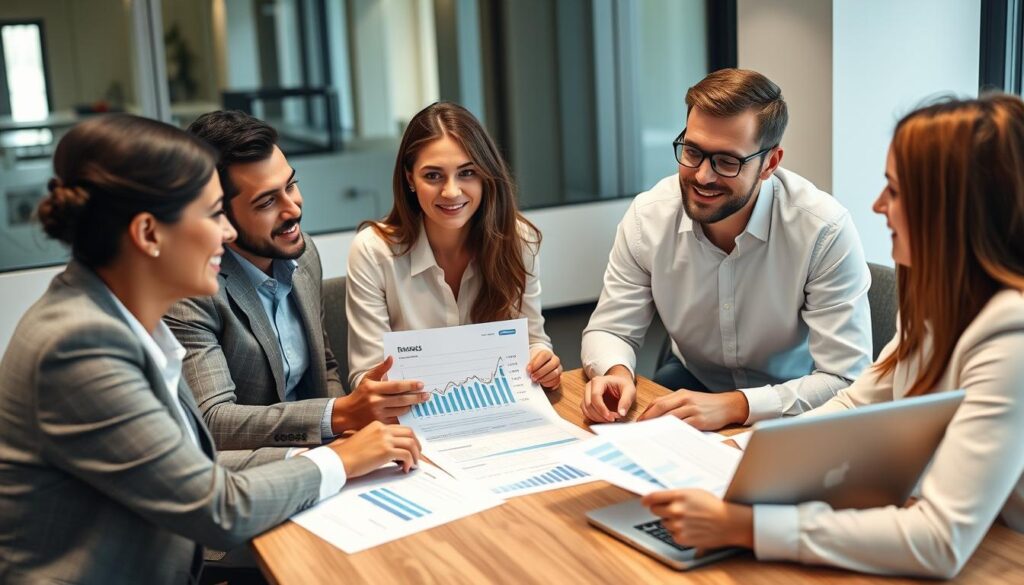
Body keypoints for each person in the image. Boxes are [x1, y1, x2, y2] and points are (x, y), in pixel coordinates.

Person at [0, 114, 421, 584]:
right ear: (148, 234)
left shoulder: (123, 321)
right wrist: (340, 459)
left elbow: (196, 466)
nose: (226, 233)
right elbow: (216, 506)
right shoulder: (77, 347)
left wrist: (332, 449)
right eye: (212, 214)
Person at [643, 94, 1024, 578]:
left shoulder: (1012, 333)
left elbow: (939, 541)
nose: (878, 205)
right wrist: (740, 462)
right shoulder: (941, 304)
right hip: (938, 534)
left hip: (998, 558)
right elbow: (856, 404)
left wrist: (746, 526)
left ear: (950, 211)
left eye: (895, 190)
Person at [580, 68, 872, 430]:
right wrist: (617, 371)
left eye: (727, 161)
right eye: (692, 152)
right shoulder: (648, 217)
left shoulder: (823, 230)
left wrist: (737, 406)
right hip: (693, 380)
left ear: (770, 163)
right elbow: (611, 329)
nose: (703, 176)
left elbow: (847, 380)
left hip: (795, 400)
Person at [165, 111, 426, 467]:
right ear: (218, 215)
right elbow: (213, 421)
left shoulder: (303, 258)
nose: (293, 208)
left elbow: (325, 366)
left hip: (322, 455)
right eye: (267, 202)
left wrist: (351, 434)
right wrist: (340, 415)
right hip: (250, 472)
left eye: (290, 185)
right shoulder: (190, 288)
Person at [346, 102, 562, 390]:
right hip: (410, 415)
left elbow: (533, 341)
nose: (451, 191)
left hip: (496, 406)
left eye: (467, 173)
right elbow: (366, 378)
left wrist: (542, 360)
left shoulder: (517, 240)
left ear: (486, 175)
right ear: (410, 178)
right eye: (433, 175)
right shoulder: (373, 251)